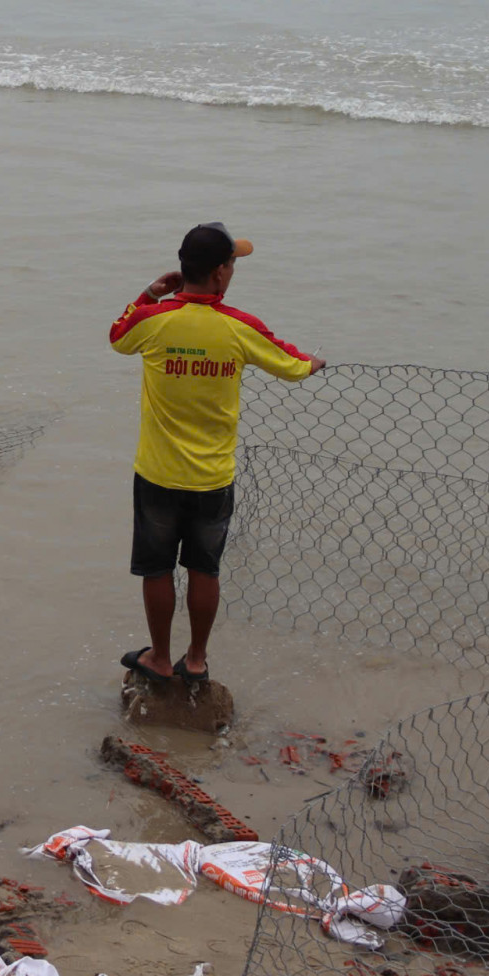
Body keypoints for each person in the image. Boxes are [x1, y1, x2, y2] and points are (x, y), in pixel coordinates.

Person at [108, 222, 324, 685]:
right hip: (212, 477)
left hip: (158, 474)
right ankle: (198, 661)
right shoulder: (240, 327)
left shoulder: (154, 320)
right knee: (205, 569)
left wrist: (148, 292)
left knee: (157, 569)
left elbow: (117, 335)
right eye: (232, 263)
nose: (233, 271)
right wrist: (315, 362)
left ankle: (160, 660)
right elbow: (294, 366)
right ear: (220, 274)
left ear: (183, 269)